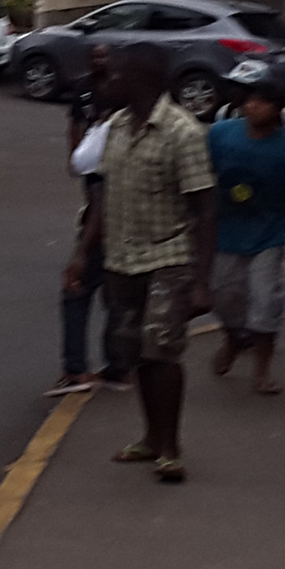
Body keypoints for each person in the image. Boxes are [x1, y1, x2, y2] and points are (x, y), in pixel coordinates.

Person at [64, 43, 216, 484]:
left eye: (114, 74)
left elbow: (206, 209)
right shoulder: (115, 127)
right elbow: (103, 195)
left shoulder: (182, 132)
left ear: (139, 78)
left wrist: (202, 283)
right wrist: (81, 253)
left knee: (163, 351)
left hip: (168, 257)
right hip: (121, 258)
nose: (106, 81)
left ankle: (170, 448)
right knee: (134, 351)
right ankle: (150, 437)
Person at [206, 64, 285, 396]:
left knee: (265, 301)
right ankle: (232, 339)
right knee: (226, 297)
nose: (254, 107)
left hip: (268, 234)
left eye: (263, 102)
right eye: (250, 100)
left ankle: (262, 372)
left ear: (278, 108)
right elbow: (202, 180)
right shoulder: (221, 134)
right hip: (226, 232)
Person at [50, 44, 126, 395]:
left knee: (78, 292)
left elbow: (99, 194)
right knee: (119, 297)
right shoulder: (147, 125)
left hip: (107, 224)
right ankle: (120, 367)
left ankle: (76, 370)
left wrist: (82, 250)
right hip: (133, 228)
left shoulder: (106, 137)